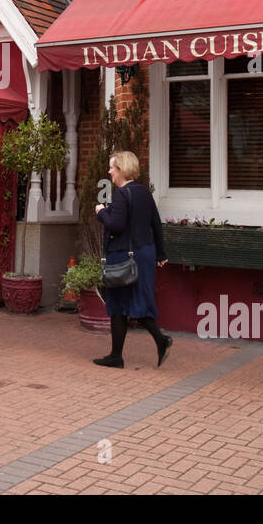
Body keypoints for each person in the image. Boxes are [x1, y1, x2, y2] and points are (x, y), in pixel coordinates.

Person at [93, 151, 172, 368]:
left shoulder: (121, 194)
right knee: (137, 301)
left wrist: (101, 212)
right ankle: (119, 354)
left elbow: (116, 225)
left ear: (121, 170)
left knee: (119, 303)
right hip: (145, 253)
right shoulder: (144, 193)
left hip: (124, 256)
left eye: (112, 168)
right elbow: (156, 223)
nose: (109, 172)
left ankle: (153, 343)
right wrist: (161, 254)